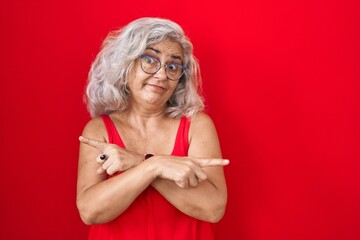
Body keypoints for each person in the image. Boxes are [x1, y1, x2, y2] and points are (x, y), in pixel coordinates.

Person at [77, 17, 229, 240]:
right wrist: (155, 166)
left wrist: (141, 162)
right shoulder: (98, 129)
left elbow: (213, 209)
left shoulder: (196, 125)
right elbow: (90, 211)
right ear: (125, 64)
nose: (161, 74)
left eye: (173, 66)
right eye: (149, 59)